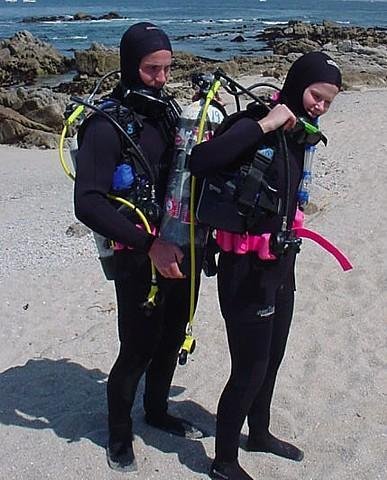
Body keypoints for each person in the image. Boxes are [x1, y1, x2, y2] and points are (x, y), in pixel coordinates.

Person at [190, 52, 342, 480]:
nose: (320, 107)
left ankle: (259, 433)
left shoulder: (300, 136)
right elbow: (199, 161)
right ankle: (223, 461)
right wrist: (265, 125)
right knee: (250, 367)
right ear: (297, 85)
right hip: (244, 271)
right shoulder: (253, 123)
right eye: (316, 96)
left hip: (280, 264)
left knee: (272, 359)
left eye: (329, 102)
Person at [74, 22, 205, 473]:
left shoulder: (168, 113)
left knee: (172, 337)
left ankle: (156, 410)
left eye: (168, 69)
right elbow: (87, 202)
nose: (162, 79)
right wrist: (149, 245)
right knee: (137, 348)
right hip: (138, 255)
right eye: (152, 69)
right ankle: (118, 435)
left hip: (179, 246)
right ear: (130, 67)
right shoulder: (105, 127)